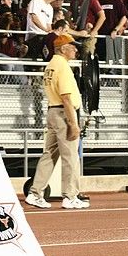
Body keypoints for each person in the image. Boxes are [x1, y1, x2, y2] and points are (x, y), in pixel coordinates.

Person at [25, 34, 90, 210]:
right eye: (72, 46)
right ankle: (70, 196)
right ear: (63, 49)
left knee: (49, 154)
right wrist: (73, 123)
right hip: (63, 112)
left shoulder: (51, 65)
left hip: (53, 111)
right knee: (70, 156)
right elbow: (67, 98)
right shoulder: (63, 66)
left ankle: (35, 192)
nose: (76, 49)